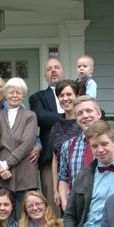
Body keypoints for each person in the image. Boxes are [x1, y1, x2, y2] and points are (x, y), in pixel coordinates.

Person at [58, 96, 114, 211]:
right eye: (80, 113)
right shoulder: (68, 146)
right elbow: (64, 178)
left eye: (89, 111)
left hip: (113, 209)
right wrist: (65, 202)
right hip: (79, 210)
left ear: (99, 113)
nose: (85, 116)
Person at [0, 77, 39, 219]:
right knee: (4, 217)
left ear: (23, 96)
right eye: (11, 92)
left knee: (25, 218)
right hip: (3, 176)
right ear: (6, 95)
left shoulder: (30, 116)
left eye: (19, 92)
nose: (14, 95)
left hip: (25, 174)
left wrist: (6, 164)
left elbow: (27, 144)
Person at [29, 56, 67, 210]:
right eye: (49, 69)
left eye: (57, 67)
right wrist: (69, 116)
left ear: (64, 72)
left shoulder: (76, 93)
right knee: (53, 202)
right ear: (45, 76)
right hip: (50, 157)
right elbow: (40, 117)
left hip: (76, 156)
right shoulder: (38, 97)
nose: (53, 71)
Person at [49, 80, 80, 212]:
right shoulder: (56, 127)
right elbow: (55, 160)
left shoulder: (84, 123)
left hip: (82, 181)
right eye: (61, 95)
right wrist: (55, 190)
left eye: (69, 94)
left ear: (77, 96)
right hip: (64, 186)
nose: (65, 98)